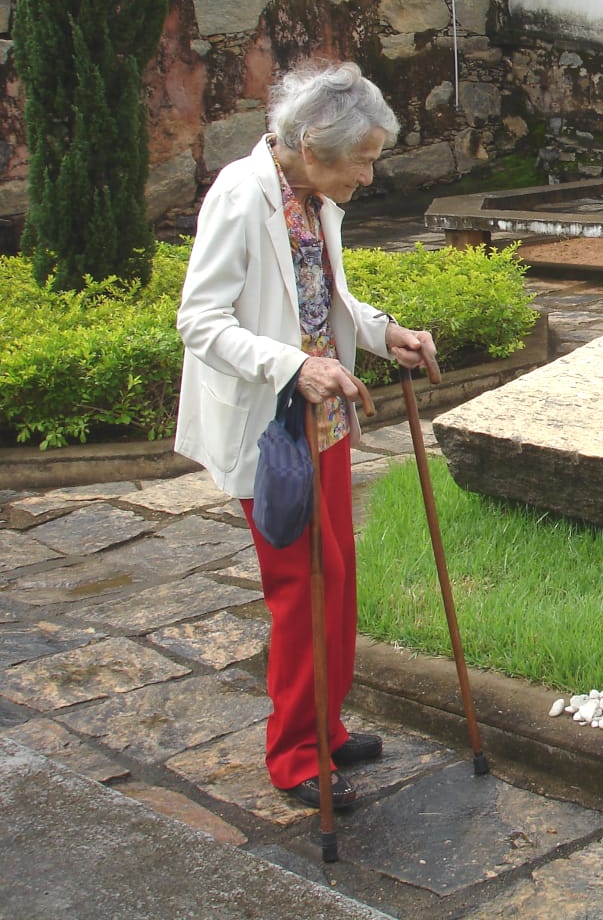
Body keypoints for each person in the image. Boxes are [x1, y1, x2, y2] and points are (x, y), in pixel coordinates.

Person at [175, 61, 437, 810]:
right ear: (315, 144)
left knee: (338, 581)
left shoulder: (314, 196)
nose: (370, 175)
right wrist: (294, 367)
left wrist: (388, 336)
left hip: (323, 419)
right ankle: (293, 754)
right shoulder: (239, 194)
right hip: (273, 431)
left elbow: (326, 296)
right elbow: (200, 321)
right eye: (364, 159)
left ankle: (323, 727)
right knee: (301, 590)